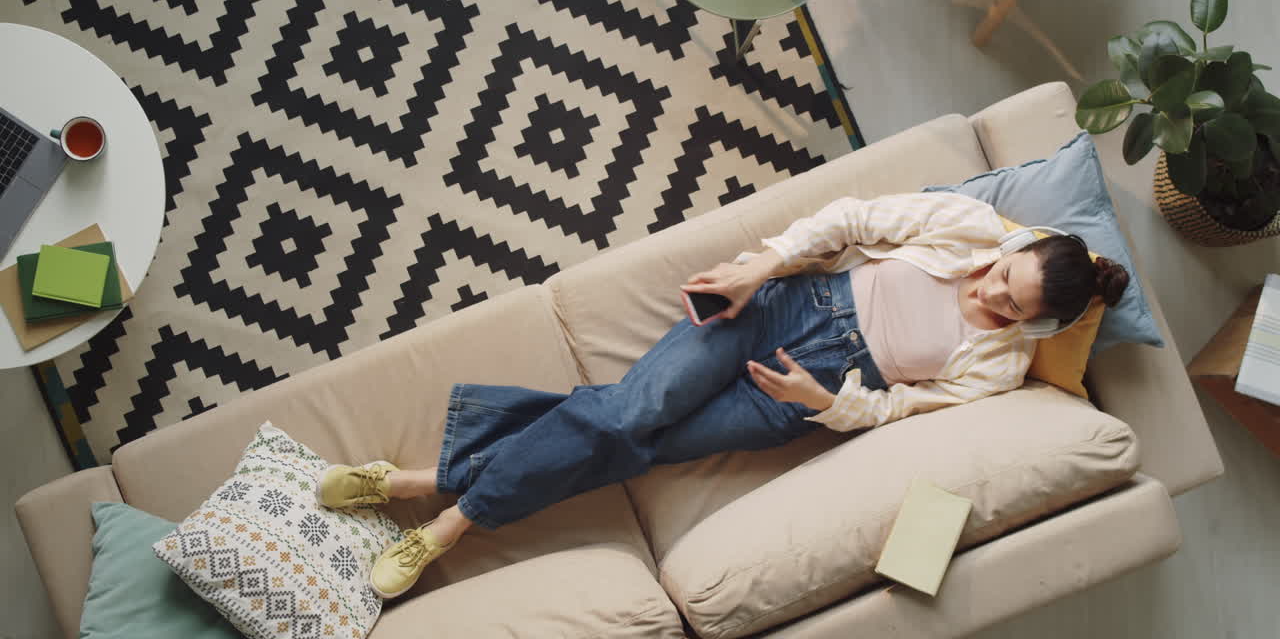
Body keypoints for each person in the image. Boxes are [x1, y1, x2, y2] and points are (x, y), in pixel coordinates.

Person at [314, 191, 1130, 598]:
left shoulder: (996, 369)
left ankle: (423, 482)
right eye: (1003, 276)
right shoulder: (969, 224)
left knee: (637, 444)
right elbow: (850, 219)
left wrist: (825, 403)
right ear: (1016, 246)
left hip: (797, 397)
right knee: (627, 414)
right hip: (778, 308)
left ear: (1034, 326)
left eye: (1013, 307)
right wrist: (756, 268)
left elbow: (898, 409)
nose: (992, 293)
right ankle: (447, 517)